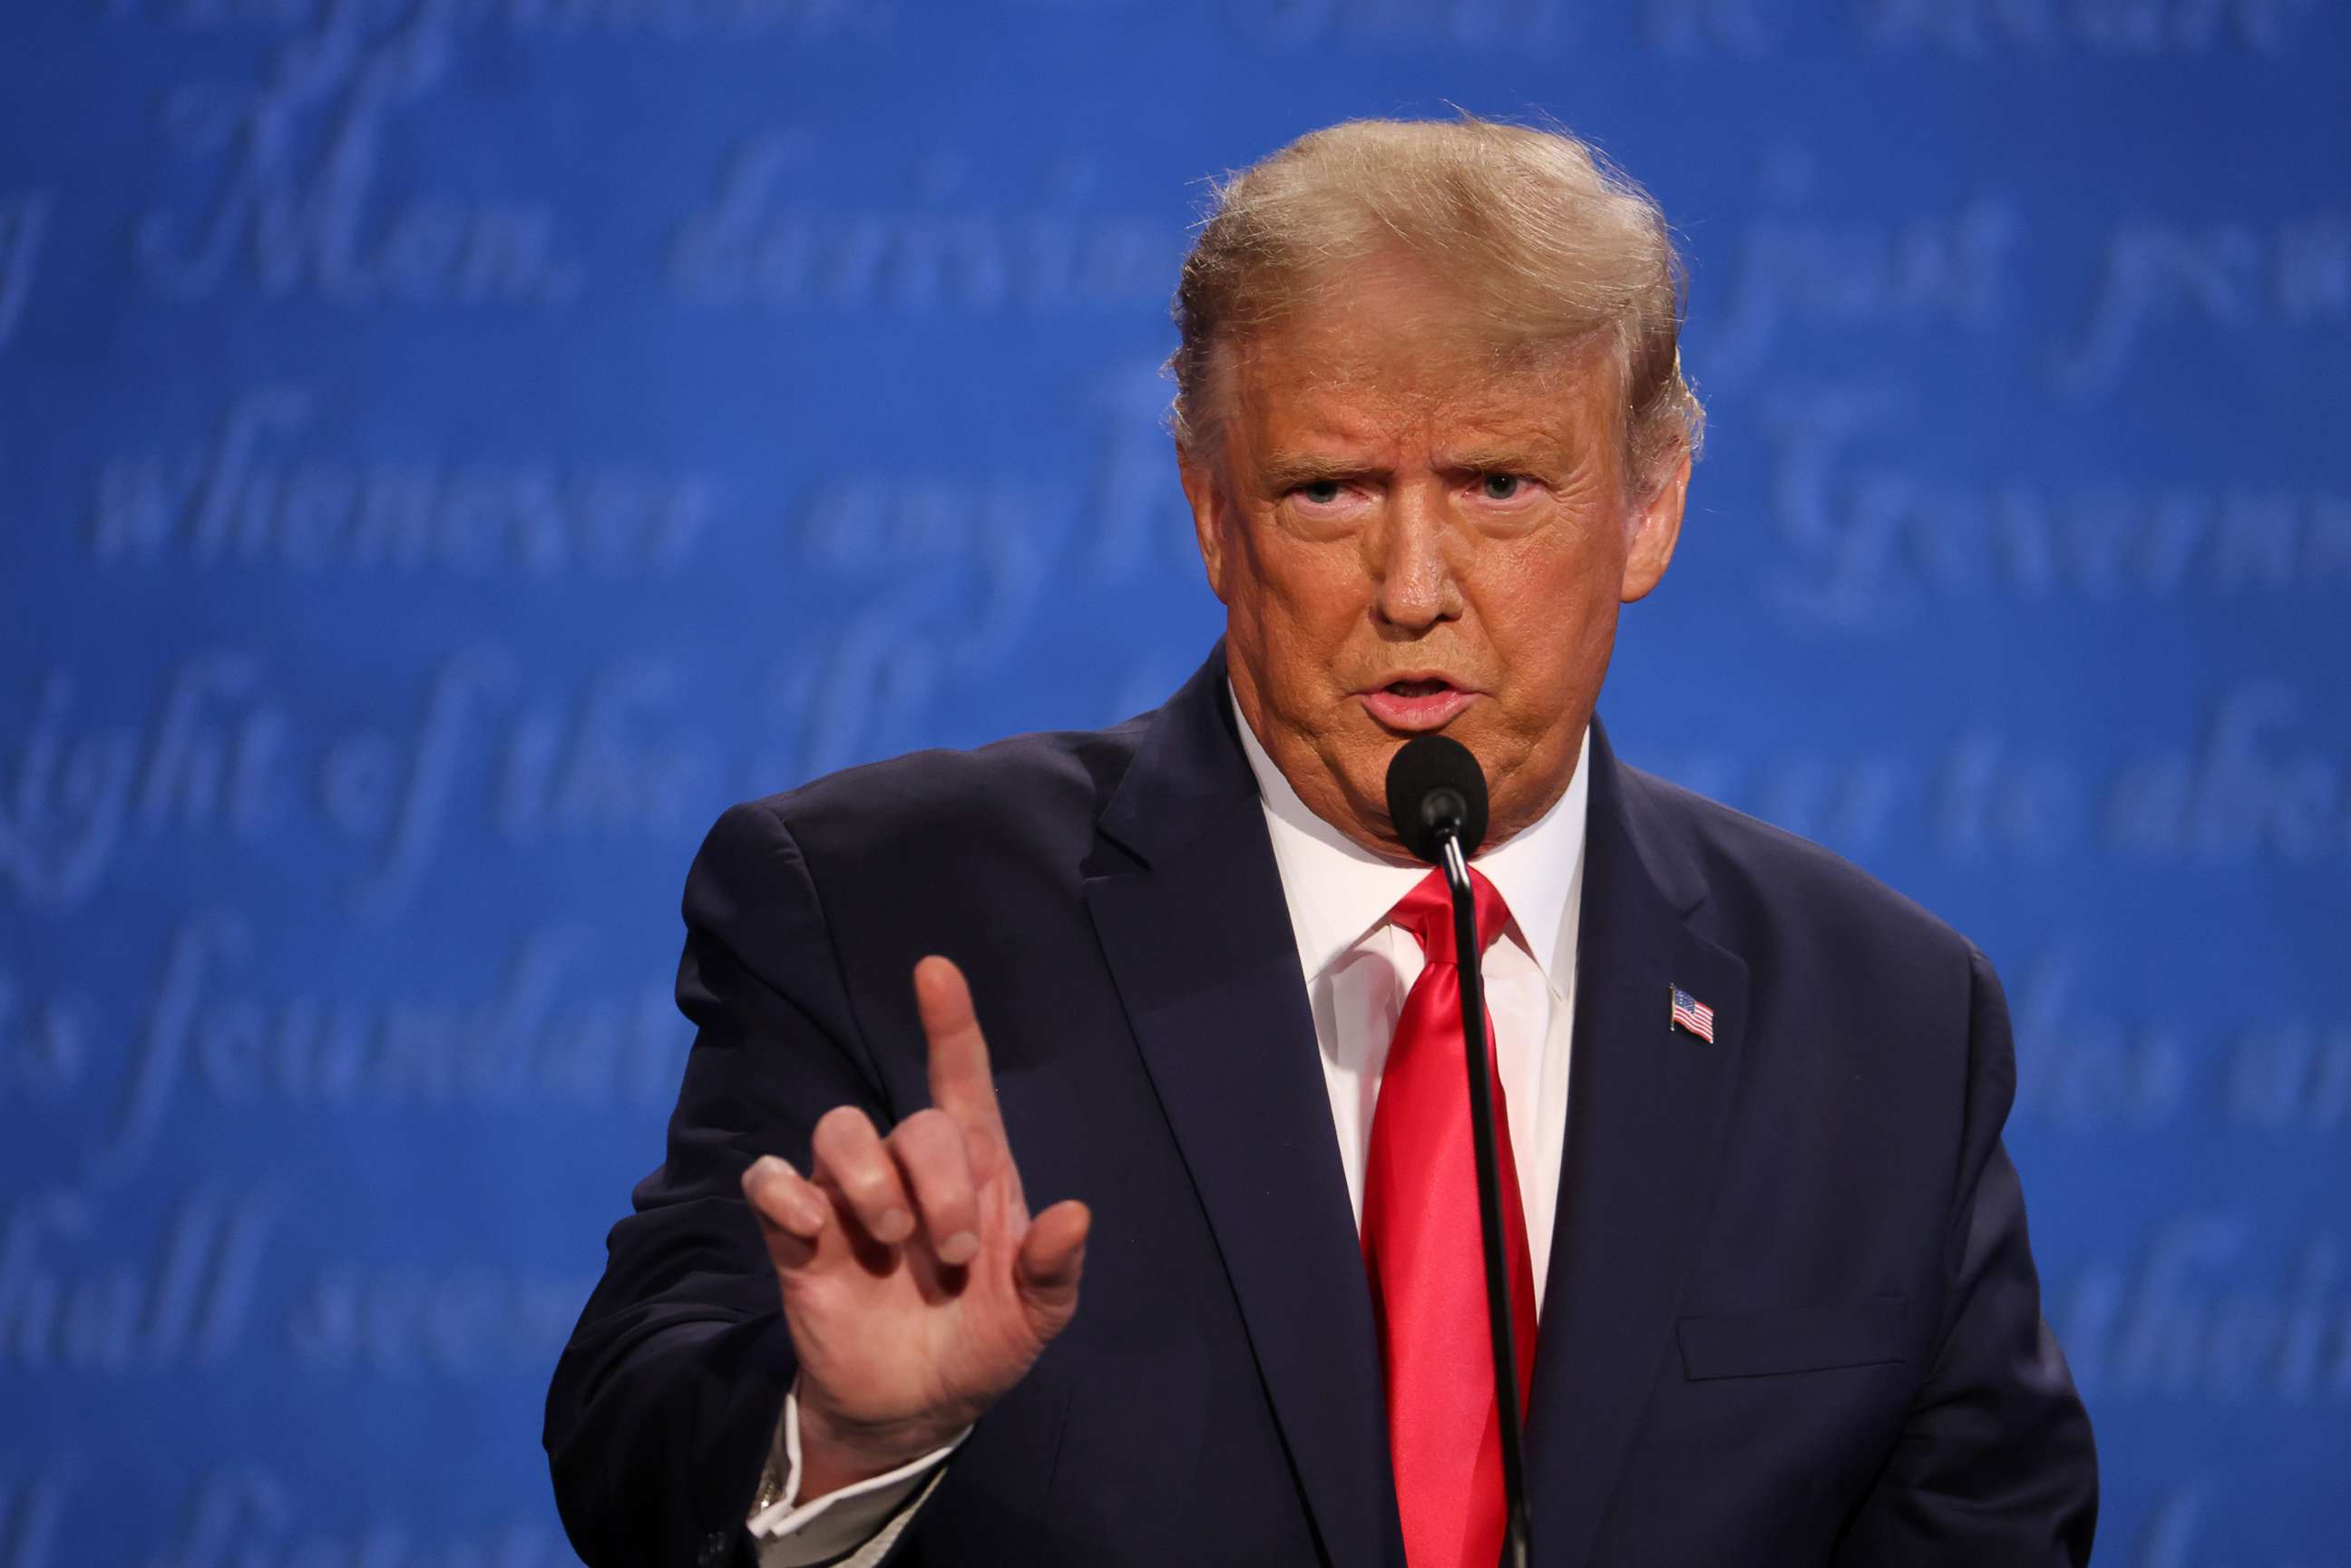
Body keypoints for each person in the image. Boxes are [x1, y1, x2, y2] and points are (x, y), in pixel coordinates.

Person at [543, 115, 2099, 1568]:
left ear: (1648, 508)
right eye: (1330, 489)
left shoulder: (1884, 1016)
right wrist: (853, 1436)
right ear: (1211, 512)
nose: (1412, 582)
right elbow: (631, 1447)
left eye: (1498, 483)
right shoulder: (886, 913)